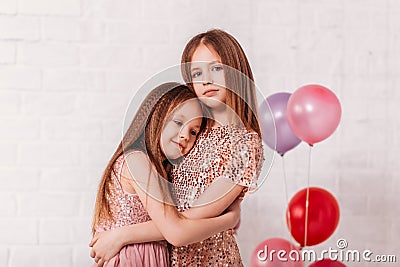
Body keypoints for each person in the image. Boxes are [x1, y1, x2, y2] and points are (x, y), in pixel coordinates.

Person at [90, 29, 264, 266]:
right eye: (197, 72)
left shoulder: (245, 146)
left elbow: (187, 217)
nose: (206, 80)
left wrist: (122, 236)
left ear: (235, 70)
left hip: (209, 259)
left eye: (216, 68)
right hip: (165, 256)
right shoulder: (192, 132)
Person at [90, 82, 242, 267]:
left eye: (193, 131)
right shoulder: (137, 161)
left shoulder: (158, 170)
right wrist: (228, 220)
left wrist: (122, 235)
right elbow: (176, 232)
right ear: (155, 116)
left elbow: (181, 220)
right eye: (178, 122)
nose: (186, 135)